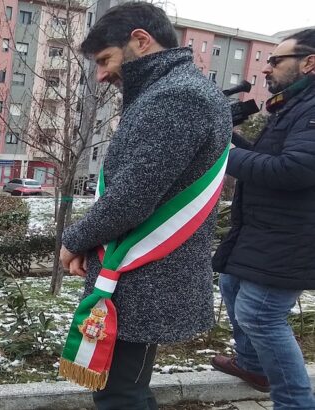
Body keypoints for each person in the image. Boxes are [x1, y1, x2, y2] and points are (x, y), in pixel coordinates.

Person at [58, 3, 231, 408]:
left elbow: (132, 197)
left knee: (121, 394)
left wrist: (73, 240)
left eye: (105, 59)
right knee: (123, 389)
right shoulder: (174, 90)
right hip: (146, 271)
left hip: (144, 272)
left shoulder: (176, 97)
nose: (101, 74)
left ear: (140, 40)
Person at [210, 29, 315, 409]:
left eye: (276, 60)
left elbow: (295, 169)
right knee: (233, 287)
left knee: (260, 314)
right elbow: (268, 158)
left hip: (293, 235)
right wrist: (230, 139)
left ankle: (295, 403)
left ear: (309, 62)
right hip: (265, 228)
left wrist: (219, 153)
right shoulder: (293, 106)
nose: (267, 68)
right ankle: (254, 367)